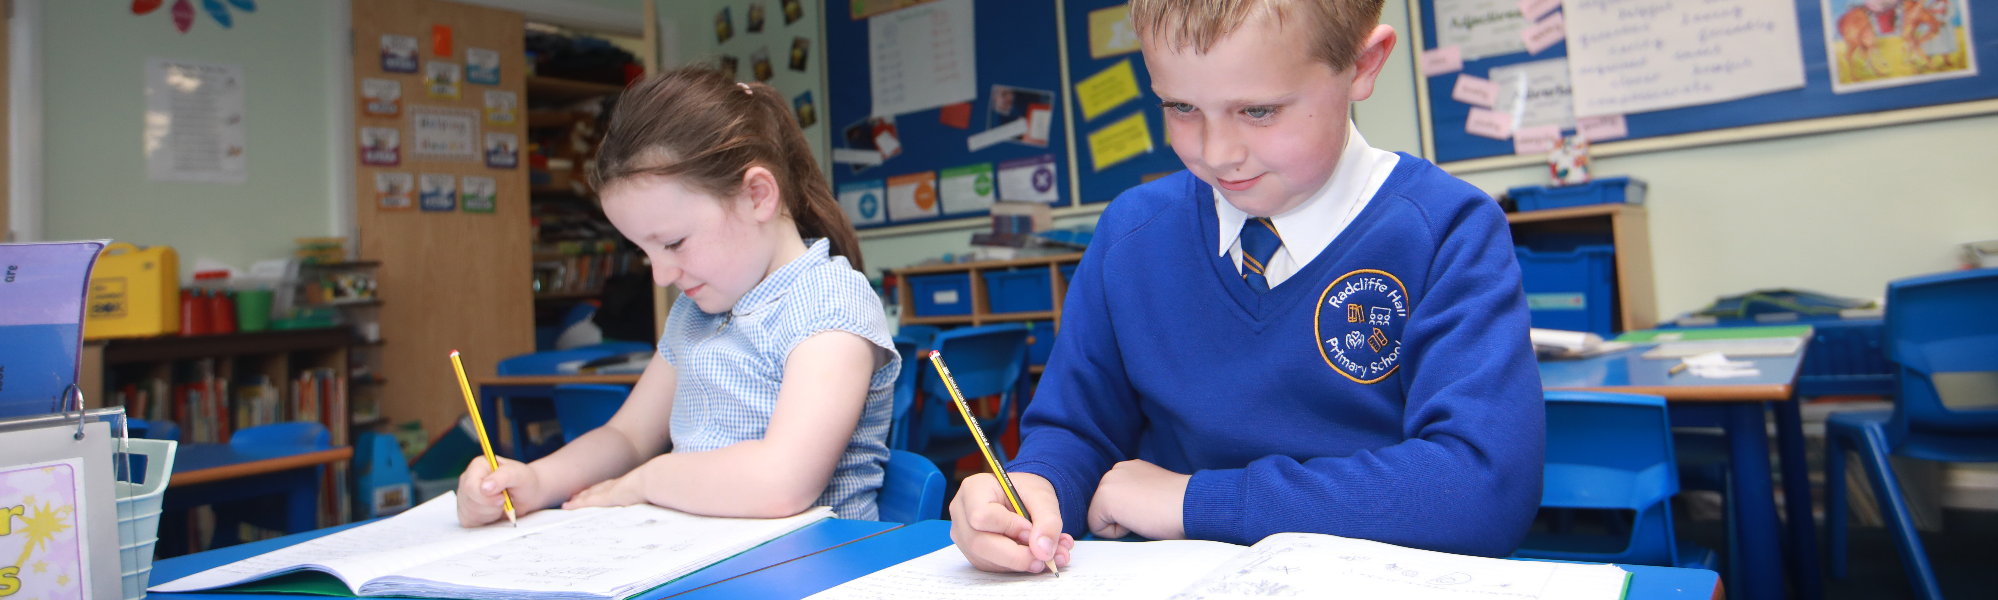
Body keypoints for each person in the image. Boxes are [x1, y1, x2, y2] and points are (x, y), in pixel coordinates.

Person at [949, 0, 1544, 574]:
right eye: (1180, 106)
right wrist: (1035, 489)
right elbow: (1076, 432)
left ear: (1363, 65)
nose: (1216, 153)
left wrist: (1194, 502)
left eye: (1258, 111)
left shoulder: (1446, 229)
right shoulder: (1131, 235)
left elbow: (1482, 487)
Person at [457, 67, 898, 524]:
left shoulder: (829, 304)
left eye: (673, 243)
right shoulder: (696, 312)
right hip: (702, 552)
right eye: (645, 252)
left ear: (757, 196)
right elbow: (627, 437)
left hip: (818, 560)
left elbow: (781, 483)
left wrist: (647, 480)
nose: (661, 275)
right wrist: (536, 480)